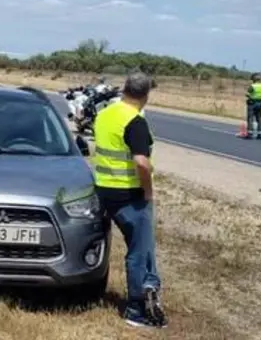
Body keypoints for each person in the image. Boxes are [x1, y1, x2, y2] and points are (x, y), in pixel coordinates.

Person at [93, 71, 167, 329]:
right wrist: (148, 192)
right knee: (140, 251)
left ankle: (146, 294)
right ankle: (137, 309)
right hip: (129, 194)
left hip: (103, 189)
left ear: (124, 89)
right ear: (146, 95)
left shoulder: (104, 114)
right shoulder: (135, 121)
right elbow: (141, 163)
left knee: (134, 247)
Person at [244, 73, 261, 140]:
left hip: (252, 103)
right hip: (260, 104)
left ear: (254, 79)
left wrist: (250, 96)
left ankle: (250, 134)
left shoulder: (252, 86)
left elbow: (247, 94)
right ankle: (260, 134)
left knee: (250, 118)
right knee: (259, 118)